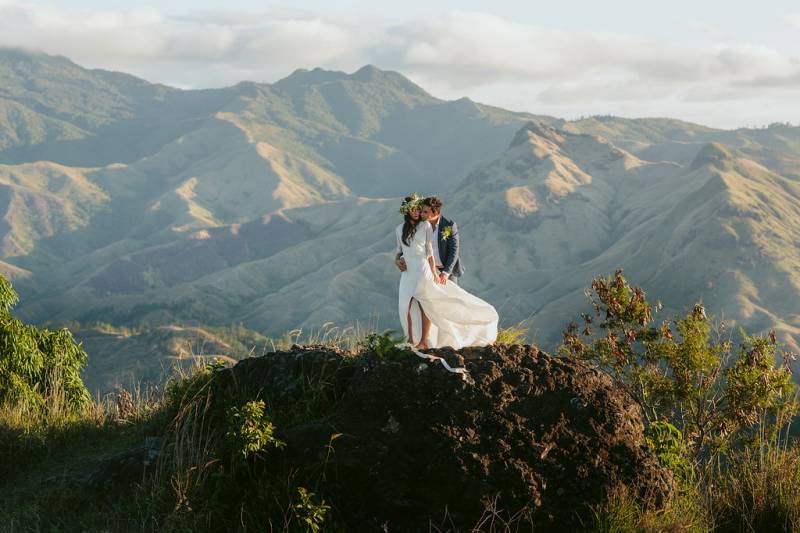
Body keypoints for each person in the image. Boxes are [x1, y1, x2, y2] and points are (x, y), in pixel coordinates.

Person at [394, 194, 498, 350]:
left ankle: (455, 338)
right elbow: (403, 249)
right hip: (419, 271)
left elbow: (454, 251)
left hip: (442, 272)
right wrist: (397, 260)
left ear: (435, 212)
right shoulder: (411, 228)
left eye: (425, 212)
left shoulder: (448, 225)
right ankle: (424, 340)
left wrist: (444, 273)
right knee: (419, 305)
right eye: (420, 211)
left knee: (450, 305)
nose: (421, 214)